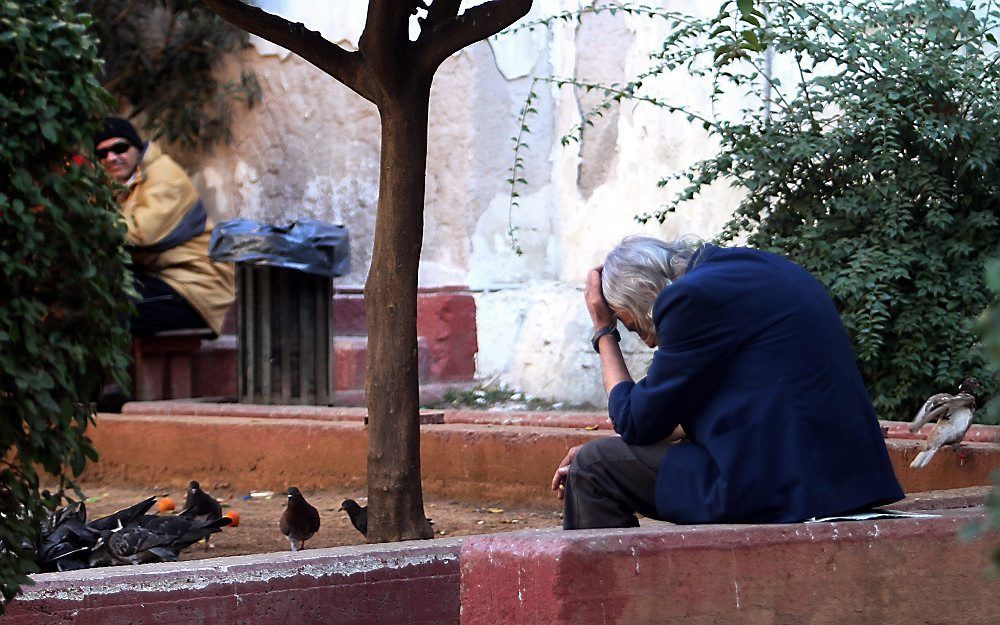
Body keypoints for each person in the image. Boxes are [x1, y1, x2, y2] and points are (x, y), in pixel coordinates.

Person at [551, 236, 903, 529]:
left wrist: (603, 331)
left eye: (633, 325)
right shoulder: (760, 268)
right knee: (605, 457)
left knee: (593, 468)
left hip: (781, 487)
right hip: (842, 478)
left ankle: (610, 608)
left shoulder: (690, 299)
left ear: (644, 289)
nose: (647, 341)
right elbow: (687, 412)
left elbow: (633, 420)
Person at [93, 117, 234, 410]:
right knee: (92, 290)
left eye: (120, 148)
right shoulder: (121, 185)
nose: (111, 157)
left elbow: (140, 233)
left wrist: (87, 221)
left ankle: (111, 386)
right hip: (162, 279)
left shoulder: (164, 176)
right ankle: (99, 386)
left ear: (136, 148)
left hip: (194, 289)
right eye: (102, 153)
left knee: (110, 301)